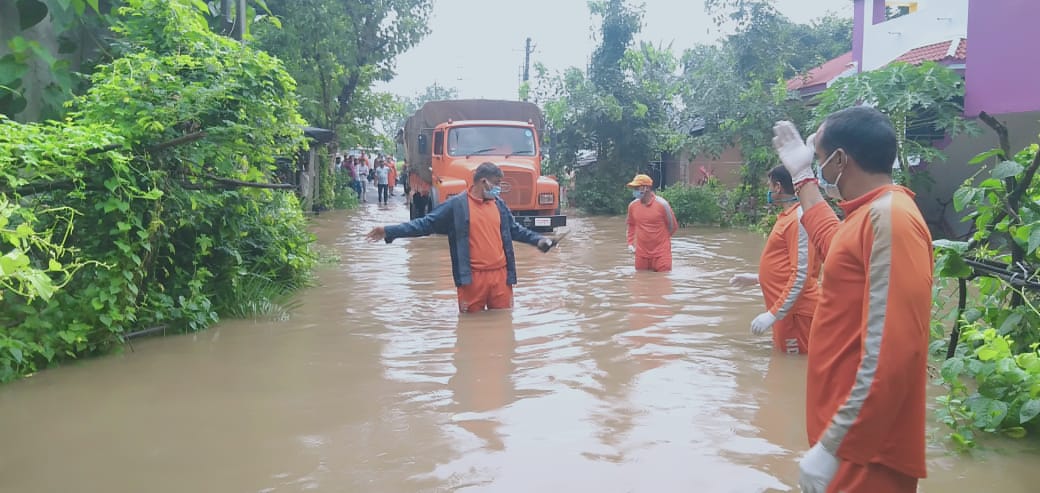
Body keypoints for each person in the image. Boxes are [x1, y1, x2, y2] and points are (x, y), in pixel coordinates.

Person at [771, 106, 933, 493]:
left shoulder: (890, 218)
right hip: (849, 441)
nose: (819, 164)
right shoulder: (868, 215)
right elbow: (832, 241)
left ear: (841, 159)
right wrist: (803, 177)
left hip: (866, 451)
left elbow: (895, 350)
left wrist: (835, 445)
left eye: (820, 157)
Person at [365, 162, 556, 313]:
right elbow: (424, 225)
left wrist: (538, 240)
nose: (499, 189)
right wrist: (390, 231)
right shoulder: (456, 206)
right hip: (471, 280)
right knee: (470, 327)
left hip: (501, 278)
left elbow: (516, 230)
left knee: (503, 324)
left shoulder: (499, 205)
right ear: (483, 182)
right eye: (497, 184)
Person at [729, 166, 820, 355]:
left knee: (794, 369)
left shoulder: (798, 219)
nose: (767, 190)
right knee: (782, 363)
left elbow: (802, 275)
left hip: (795, 314)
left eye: (768, 185)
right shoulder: (788, 216)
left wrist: (773, 314)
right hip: (785, 311)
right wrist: (758, 278)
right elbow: (788, 265)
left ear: (778, 187)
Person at [625, 174, 678, 272]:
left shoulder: (662, 205)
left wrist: (660, 241)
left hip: (661, 254)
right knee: (640, 281)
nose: (635, 191)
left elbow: (673, 227)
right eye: (634, 188)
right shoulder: (632, 206)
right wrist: (630, 243)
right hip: (641, 254)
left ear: (646, 188)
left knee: (663, 281)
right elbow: (631, 225)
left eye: (637, 188)